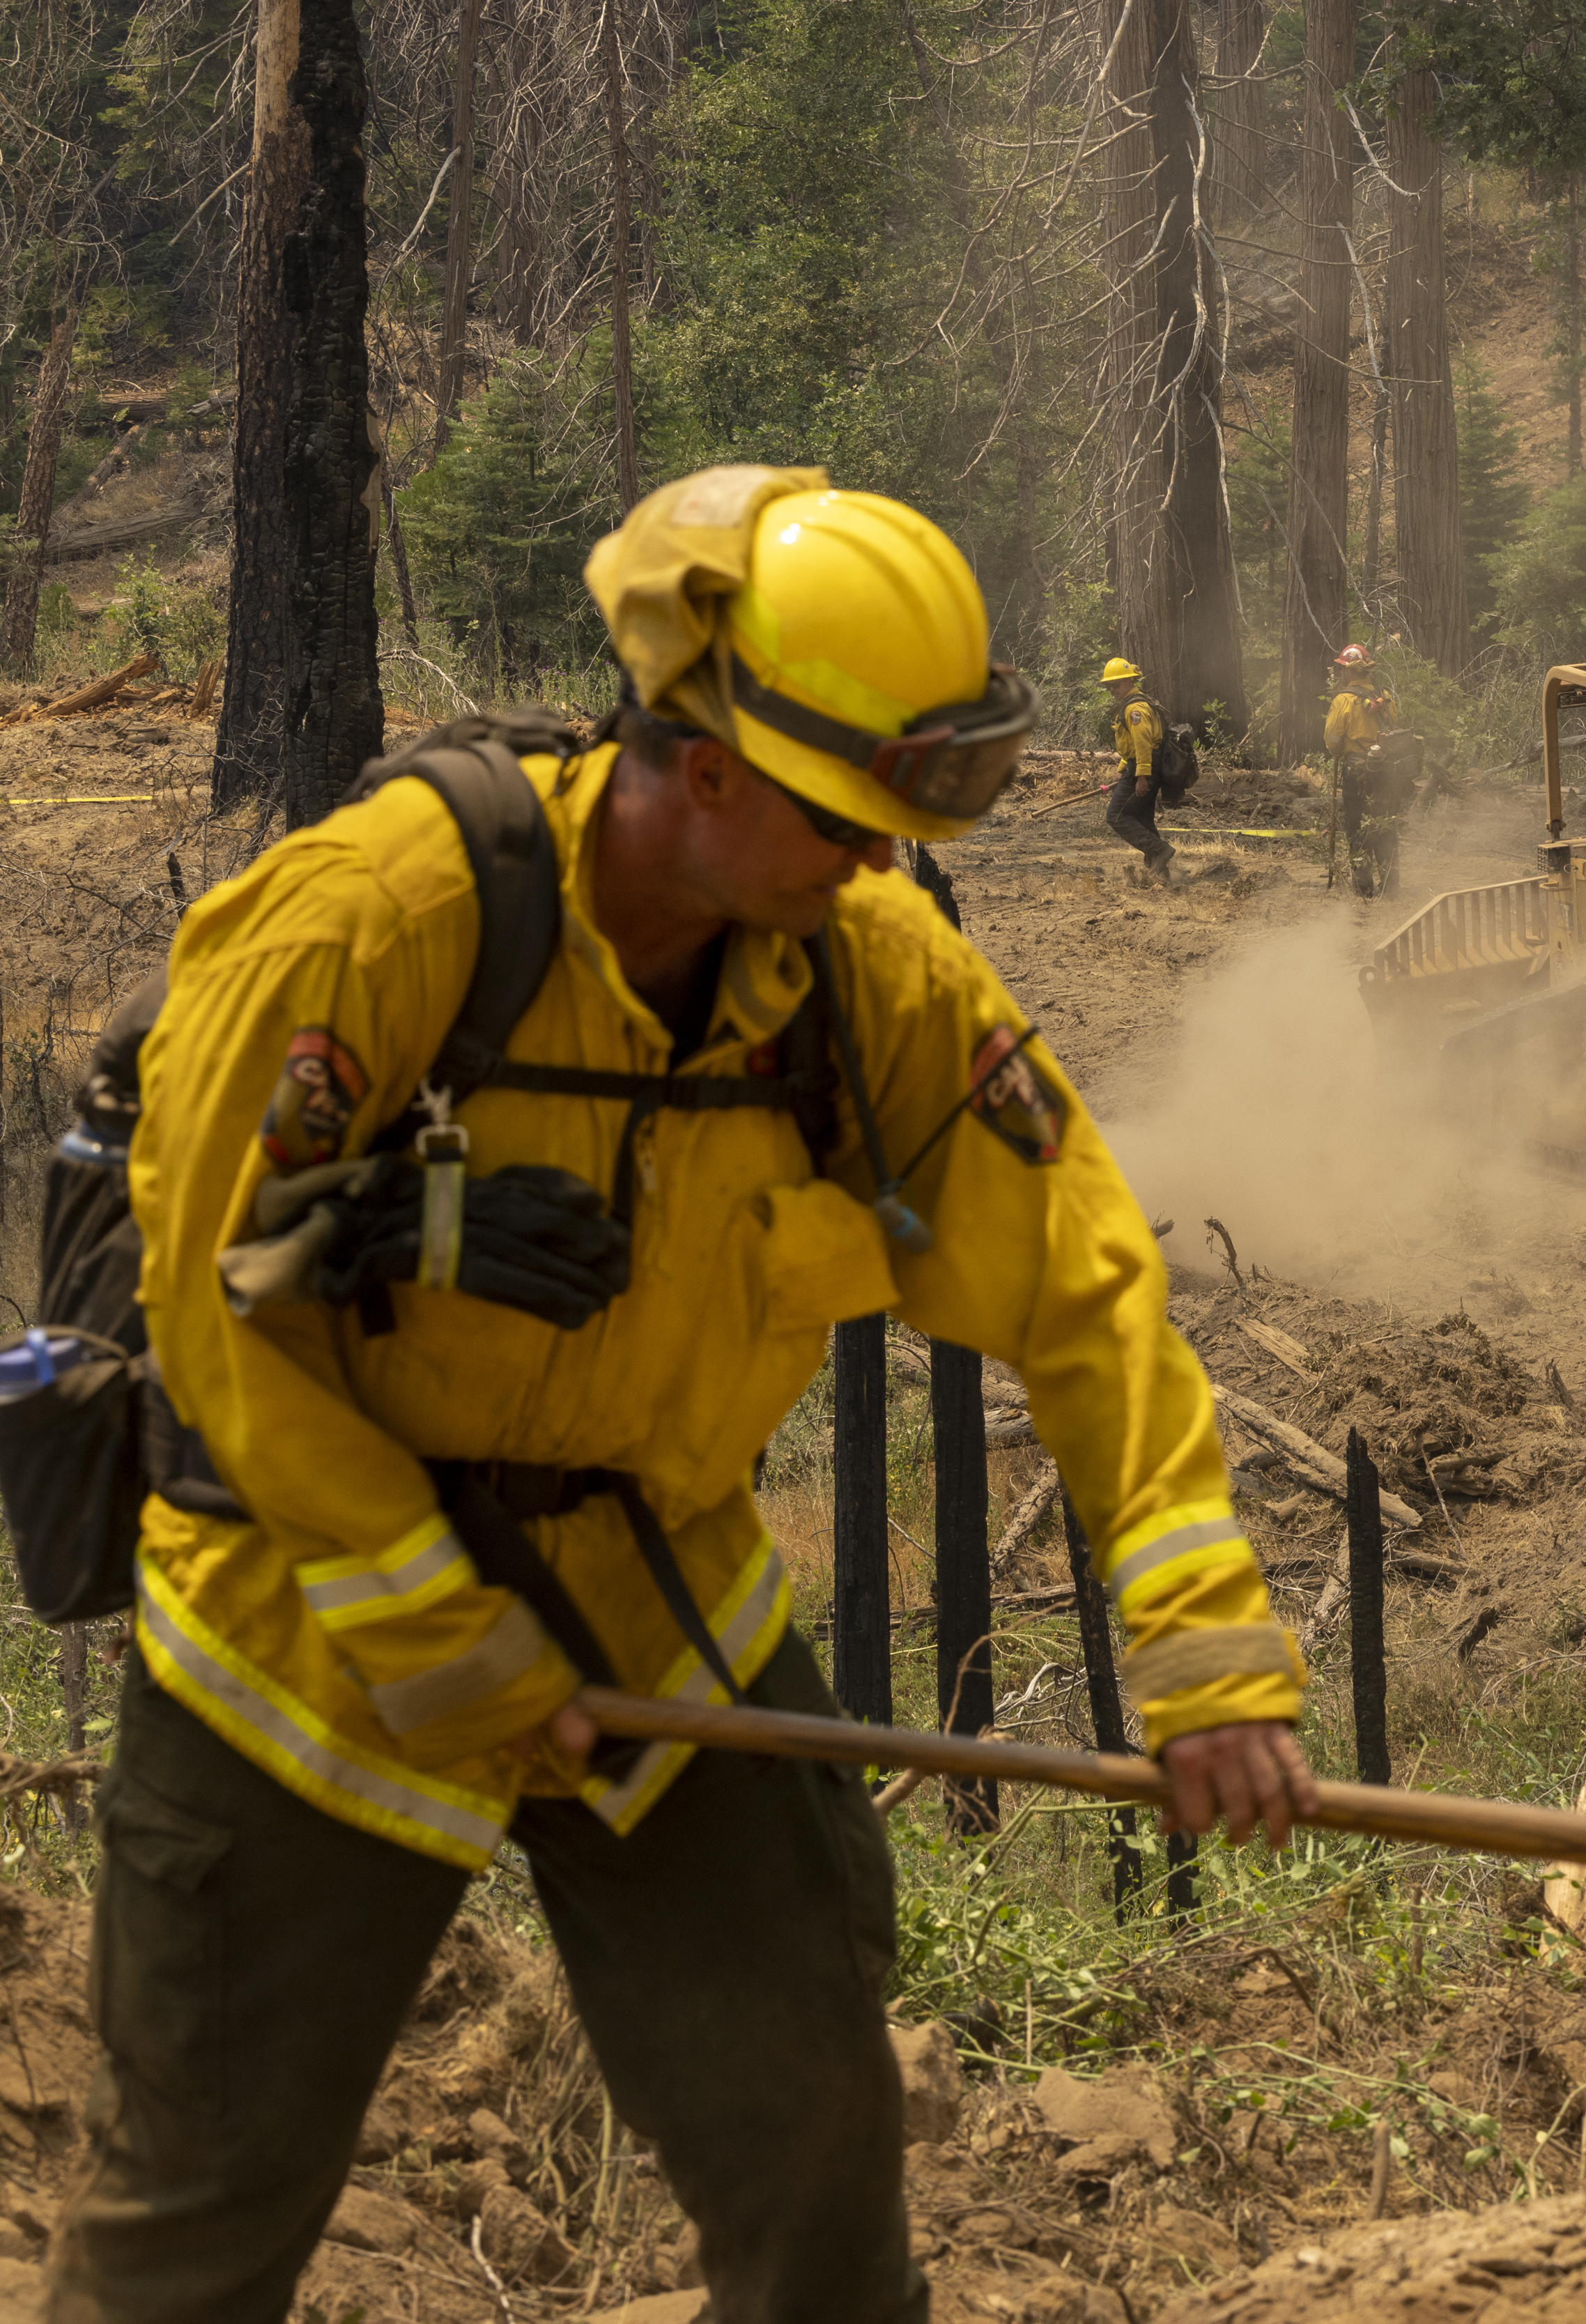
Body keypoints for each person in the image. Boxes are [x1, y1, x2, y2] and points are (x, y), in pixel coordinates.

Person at [53, 463, 1315, 2319]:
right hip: (304, 1634)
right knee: (197, 2222)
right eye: (850, 818)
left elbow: (1086, 1278)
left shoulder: (862, 966)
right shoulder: (379, 918)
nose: (883, 864)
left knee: (812, 2127)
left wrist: (1202, 1635)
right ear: (704, 766)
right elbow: (215, 1295)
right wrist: (428, 1609)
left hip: (653, 1603)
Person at [1321, 642, 1415, 898]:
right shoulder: (1383, 696)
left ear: (1350, 672)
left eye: (1342, 669)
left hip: (1356, 772)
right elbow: (1394, 724)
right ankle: (1391, 888)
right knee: (1385, 826)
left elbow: (1332, 742)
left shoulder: (1343, 700)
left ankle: (1363, 891)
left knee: (1357, 828)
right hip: (1386, 772)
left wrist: (1342, 749)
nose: (1341, 673)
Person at [1102, 654, 1173, 871]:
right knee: (1143, 819)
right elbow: (1133, 745)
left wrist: (1141, 777)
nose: (1112, 690)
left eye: (1116, 685)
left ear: (1130, 682)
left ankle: (1160, 850)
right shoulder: (1132, 704)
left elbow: (1143, 744)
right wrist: (1121, 769)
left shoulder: (1135, 709)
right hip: (1143, 766)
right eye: (1109, 687)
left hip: (1145, 768)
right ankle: (1160, 874)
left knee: (1116, 815)